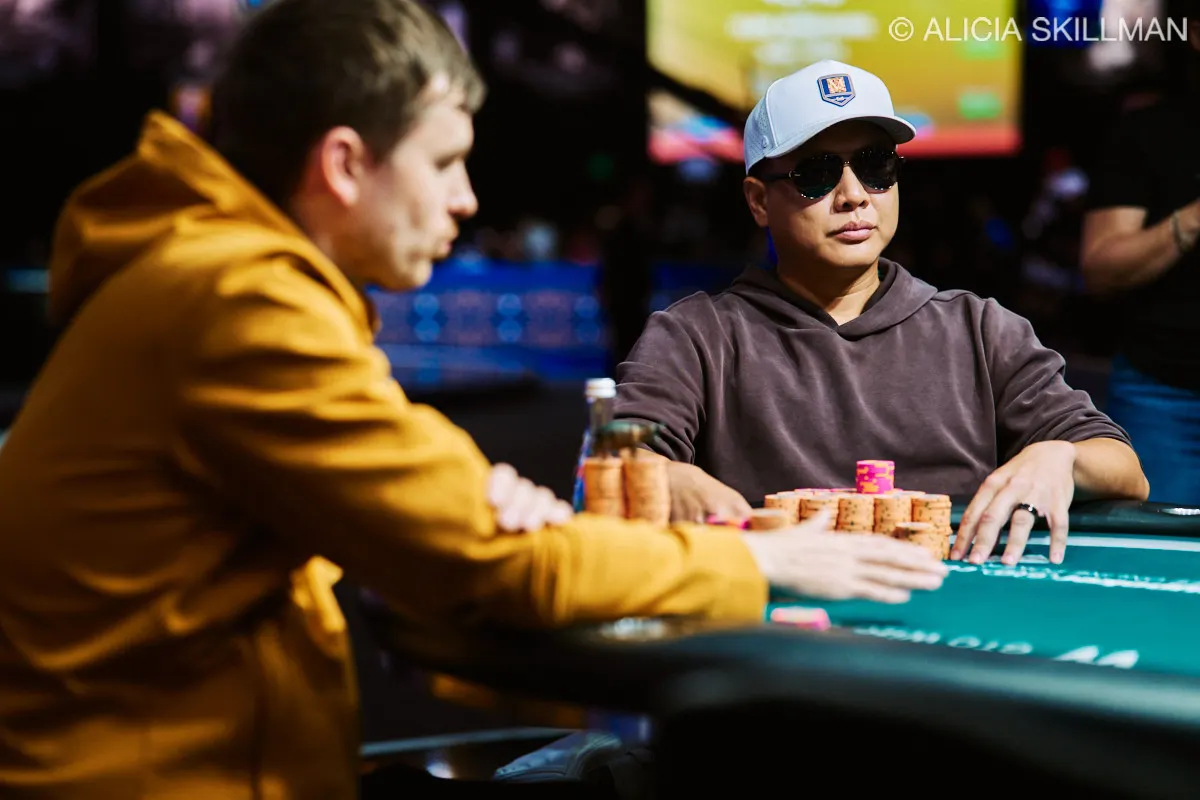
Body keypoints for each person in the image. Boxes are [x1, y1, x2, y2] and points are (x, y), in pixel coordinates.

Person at [0, 6, 947, 798]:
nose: (464, 199)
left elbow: (452, 529)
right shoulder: (240, 304)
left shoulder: (206, 273)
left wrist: (471, 512)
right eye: (445, 161)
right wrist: (761, 561)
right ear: (344, 164)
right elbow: (492, 567)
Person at [613, 59, 1149, 569]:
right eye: (817, 174)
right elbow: (620, 460)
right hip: (775, 612)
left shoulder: (979, 328)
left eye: (875, 167)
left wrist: (1059, 457)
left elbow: (1124, 469)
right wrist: (664, 475)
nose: (853, 196)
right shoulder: (695, 336)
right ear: (758, 201)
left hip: (954, 611)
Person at [1079, 14, 1200, 506]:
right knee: (1153, 545)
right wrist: (1193, 218)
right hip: (1167, 395)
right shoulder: (1149, 133)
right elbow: (1100, 268)